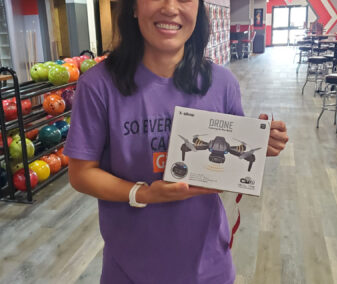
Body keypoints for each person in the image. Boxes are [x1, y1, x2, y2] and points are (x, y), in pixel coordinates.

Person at [64, 0, 288, 283]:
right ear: (133, 7)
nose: (170, 8)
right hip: (129, 270)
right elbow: (81, 174)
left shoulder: (221, 83)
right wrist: (142, 194)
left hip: (208, 267)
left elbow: (230, 167)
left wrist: (257, 143)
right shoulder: (98, 85)